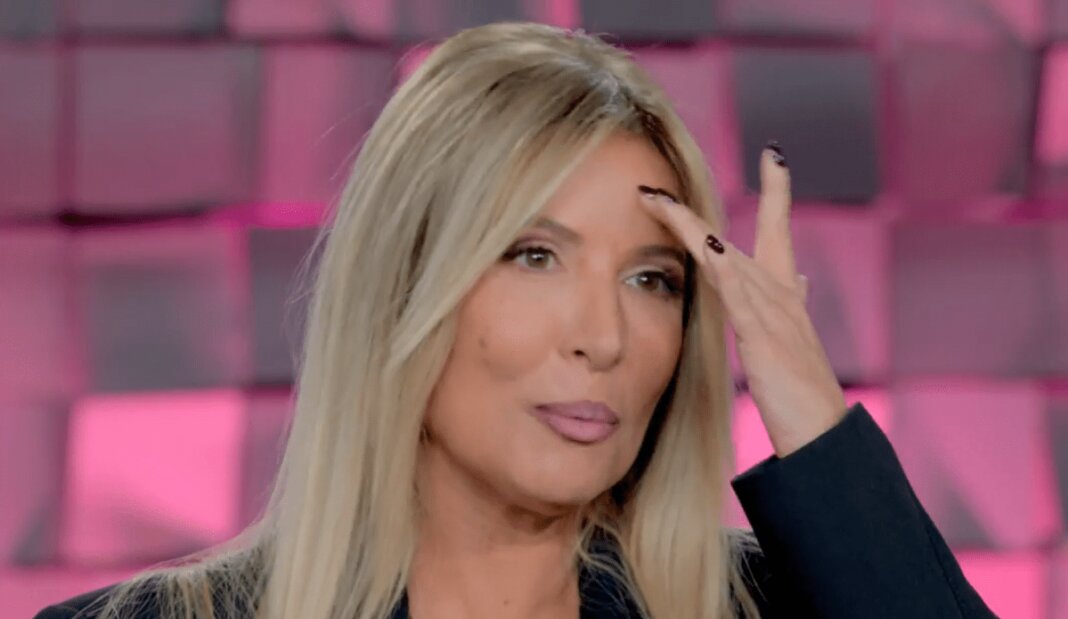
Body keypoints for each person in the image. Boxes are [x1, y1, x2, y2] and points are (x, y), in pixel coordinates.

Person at [35, 21, 998, 619]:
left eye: (652, 279)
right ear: (405, 284)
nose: (604, 337)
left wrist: (814, 419)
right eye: (534, 255)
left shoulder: (786, 603)